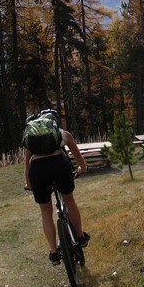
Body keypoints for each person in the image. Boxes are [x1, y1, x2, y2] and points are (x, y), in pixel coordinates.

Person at [24, 110, 89, 265]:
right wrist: (82, 168)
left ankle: (54, 252)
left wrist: (28, 184)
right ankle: (80, 237)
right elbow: (77, 157)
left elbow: (27, 166)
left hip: (38, 170)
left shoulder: (32, 139)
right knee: (69, 200)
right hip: (59, 165)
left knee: (45, 211)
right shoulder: (62, 133)